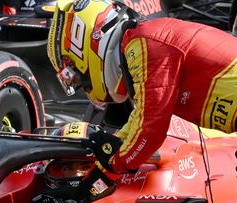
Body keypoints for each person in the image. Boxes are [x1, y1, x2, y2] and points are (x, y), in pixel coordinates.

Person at [33, 0, 237, 202]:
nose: (80, 83)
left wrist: (104, 175)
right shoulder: (142, 42)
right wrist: (103, 167)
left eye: (75, 74)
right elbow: (140, 121)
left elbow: (150, 130)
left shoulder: (145, 43)